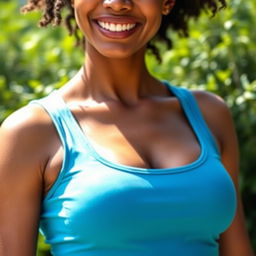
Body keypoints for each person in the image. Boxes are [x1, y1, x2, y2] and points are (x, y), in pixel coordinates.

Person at [0, 0, 254, 255]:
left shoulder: (209, 114)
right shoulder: (31, 131)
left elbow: (237, 249)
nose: (117, 3)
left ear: (167, 2)